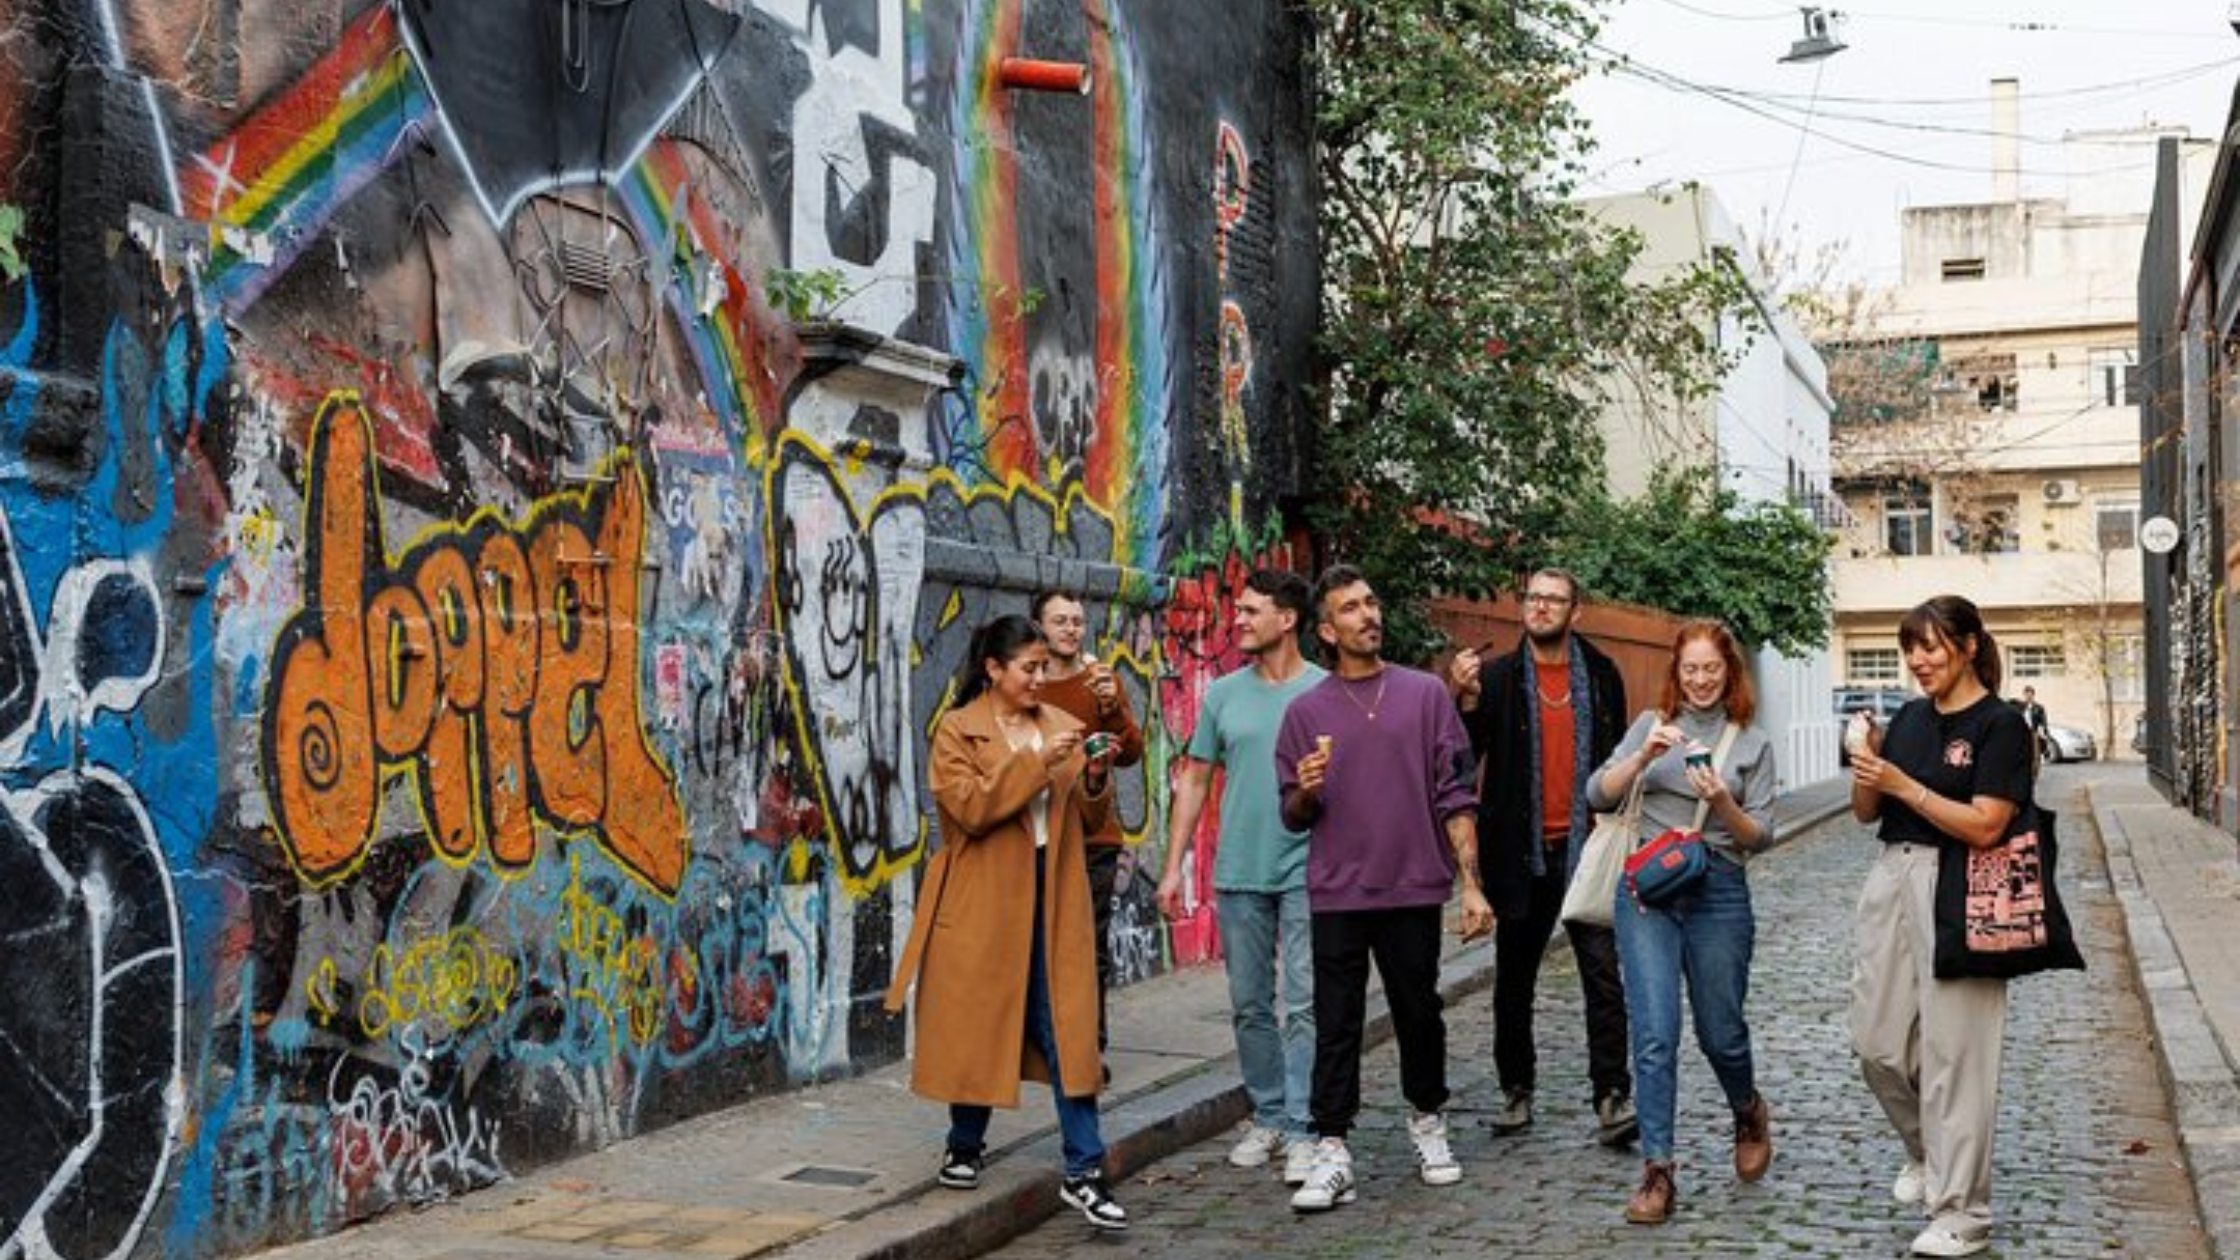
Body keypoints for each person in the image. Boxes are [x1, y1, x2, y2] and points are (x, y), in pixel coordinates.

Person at [883, 614, 1128, 1231]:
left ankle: (1084, 1170)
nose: (1040, 679)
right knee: (982, 1020)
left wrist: (1094, 775)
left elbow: (1085, 813)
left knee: (1065, 1028)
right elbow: (968, 809)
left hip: (1055, 894)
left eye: (1044, 667)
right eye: (1028, 668)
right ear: (994, 670)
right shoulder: (958, 731)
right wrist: (1038, 763)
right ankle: (965, 1142)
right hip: (985, 898)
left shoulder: (1064, 728)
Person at [1274, 564, 1494, 1213]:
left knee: (1418, 1013)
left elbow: (1456, 792)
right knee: (1336, 1023)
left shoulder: (1425, 695)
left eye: (1371, 602)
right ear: (1326, 629)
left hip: (1413, 888)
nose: (1368, 615)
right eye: (1350, 608)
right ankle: (1332, 1147)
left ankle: (1428, 1120)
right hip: (1339, 892)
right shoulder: (1303, 713)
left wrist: (1472, 887)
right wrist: (1308, 790)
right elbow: (1292, 815)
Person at [1846, 595, 2033, 1259]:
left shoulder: (2001, 725)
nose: (1919, 661)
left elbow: (1988, 824)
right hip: (1892, 878)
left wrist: (1903, 784)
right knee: (1877, 1045)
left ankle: (1964, 1213)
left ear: (1970, 645)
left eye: (1930, 647)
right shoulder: (1909, 719)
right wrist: (1866, 760)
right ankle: (1929, 1152)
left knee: (1959, 1055)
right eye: (1911, 649)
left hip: (1966, 884)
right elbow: (1867, 812)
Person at [1586, 618, 1777, 1225]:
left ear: (1729, 673)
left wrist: (1721, 800)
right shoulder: (1651, 725)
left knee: (1720, 1032)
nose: (1699, 680)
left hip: (1718, 890)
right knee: (1655, 1031)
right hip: (1648, 890)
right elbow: (1598, 793)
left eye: (1711, 669)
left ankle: (1746, 1109)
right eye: (1690, 669)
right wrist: (1645, 753)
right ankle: (1658, 1170)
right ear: (1677, 671)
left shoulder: (1752, 742)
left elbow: (1760, 836)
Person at [1448, 567, 1634, 1145]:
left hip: (1588, 852)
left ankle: (1611, 1094)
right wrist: (1464, 698)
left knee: (1603, 977)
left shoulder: (1602, 675)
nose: (1543, 608)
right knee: (1514, 980)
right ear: (1523, 607)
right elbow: (1463, 753)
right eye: (1534, 598)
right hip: (1519, 855)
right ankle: (1517, 1090)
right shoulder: (1497, 678)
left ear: (1575, 612)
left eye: (1555, 600)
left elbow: (1619, 763)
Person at [1157, 569, 1326, 1185]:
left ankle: (1306, 1127)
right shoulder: (1224, 694)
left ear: (1287, 619)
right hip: (1240, 869)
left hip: (1311, 868)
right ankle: (1271, 1114)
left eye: (1253, 611)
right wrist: (1174, 866)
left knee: (1306, 1004)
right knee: (1250, 1004)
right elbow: (1196, 779)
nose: (1240, 620)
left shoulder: (1326, 692)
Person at [1033, 589, 1146, 1078]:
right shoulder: (1028, 684)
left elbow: (1132, 752)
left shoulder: (1101, 679)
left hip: (1095, 837)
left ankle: (1088, 1049)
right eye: (1060, 621)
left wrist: (1113, 709)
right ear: (1039, 626)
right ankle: (1039, 1043)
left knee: (1090, 947)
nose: (1072, 629)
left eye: (1078, 621)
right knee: (1036, 944)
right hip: (1037, 834)